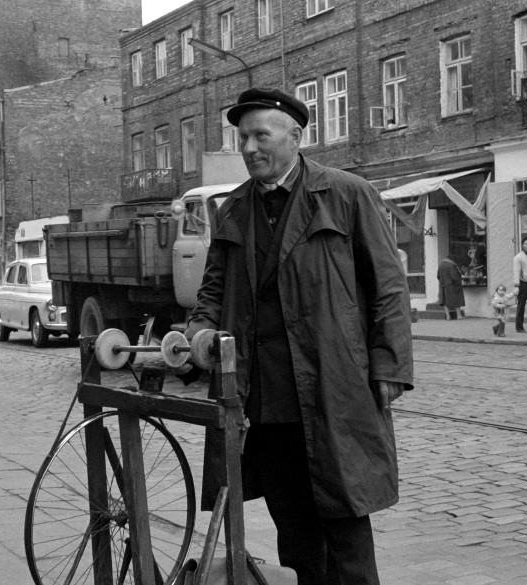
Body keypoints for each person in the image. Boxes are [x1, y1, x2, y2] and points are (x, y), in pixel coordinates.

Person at [183, 88, 414, 585]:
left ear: (295, 136)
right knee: (296, 535)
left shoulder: (346, 194)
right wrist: (196, 334)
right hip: (263, 404)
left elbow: (389, 285)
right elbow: (211, 293)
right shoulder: (233, 210)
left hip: (333, 390)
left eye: (260, 135)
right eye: (242, 138)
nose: (248, 148)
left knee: (346, 528)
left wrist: (390, 365)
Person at [437, 255, 466, 319]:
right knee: (456, 300)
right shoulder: (452, 265)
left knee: (445, 301)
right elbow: (454, 277)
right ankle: (459, 315)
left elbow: (438, 276)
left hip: (443, 285)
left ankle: (448, 316)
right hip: (452, 285)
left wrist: (442, 281)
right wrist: (459, 282)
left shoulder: (441, 264)